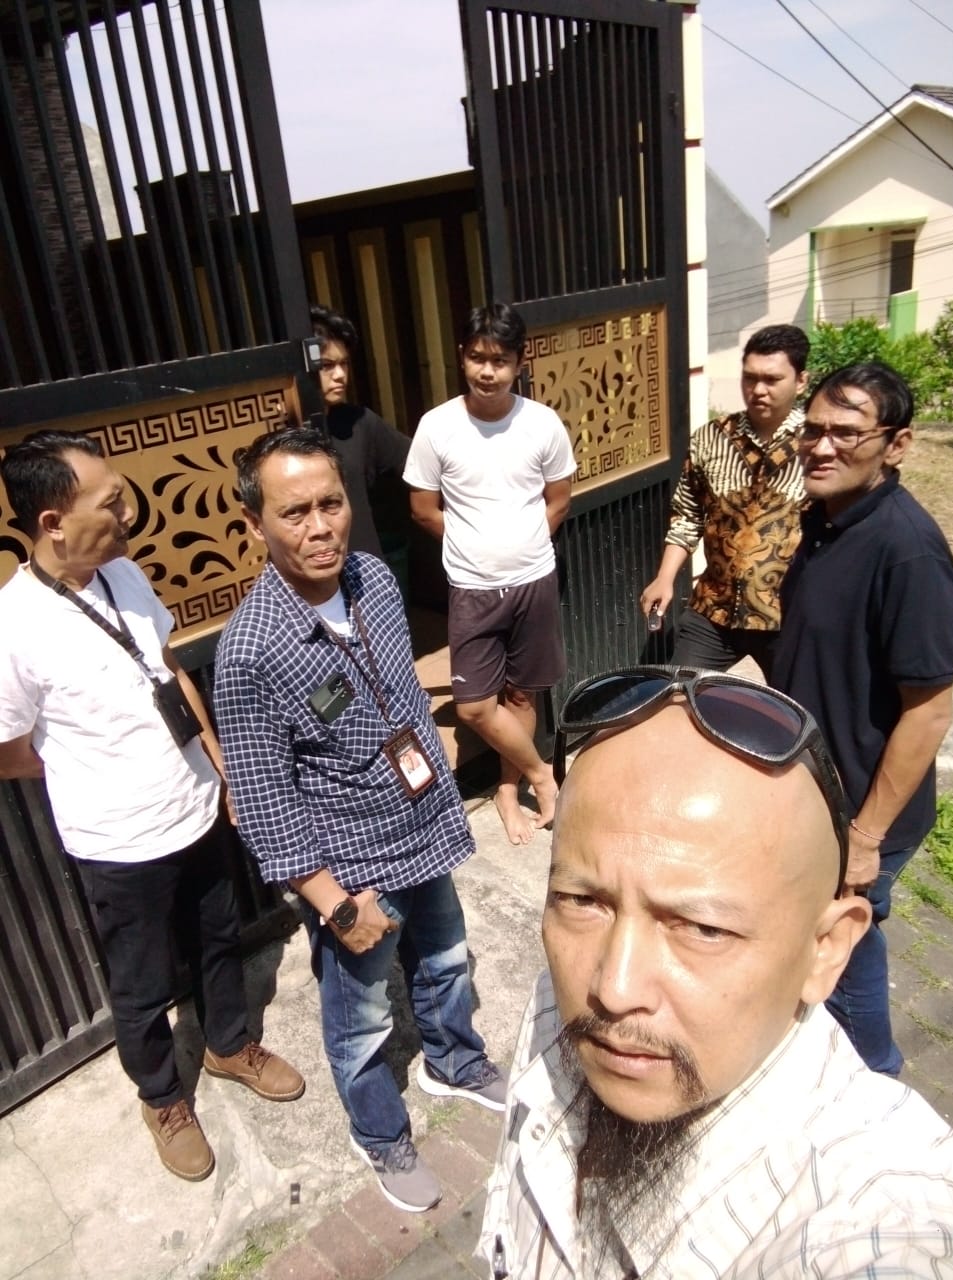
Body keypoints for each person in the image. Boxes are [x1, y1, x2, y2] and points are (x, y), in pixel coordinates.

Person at [479, 667, 953, 1278]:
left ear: (826, 950)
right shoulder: (562, 998)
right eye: (582, 900)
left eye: (702, 928)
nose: (613, 989)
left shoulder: (878, 1215)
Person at [213, 426, 505, 1214]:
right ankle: (379, 1134)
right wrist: (337, 906)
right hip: (352, 867)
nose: (320, 527)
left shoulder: (372, 577)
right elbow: (265, 805)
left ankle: (454, 1061)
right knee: (362, 1019)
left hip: (422, 827)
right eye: (295, 512)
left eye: (331, 503)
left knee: (448, 961)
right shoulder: (251, 651)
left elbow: (396, 693)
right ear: (255, 526)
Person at [0, 431, 303, 1184]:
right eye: (111, 502)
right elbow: (8, 750)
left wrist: (221, 766)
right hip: (116, 842)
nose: (128, 512)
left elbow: (168, 668)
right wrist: (92, 771)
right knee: (140, 985)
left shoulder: (124, 571)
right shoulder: (14, 626)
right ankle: (163, 1097)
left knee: (219, 937)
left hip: (192, 807)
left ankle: (228, 1045)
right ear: (53, 523)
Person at [771, 362, 953, 1076]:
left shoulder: (907, 552)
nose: (821, 447)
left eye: (846, 433)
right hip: (821, 798)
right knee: (827, 938)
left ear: (897, 443)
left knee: (843, 946)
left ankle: (876, 1077)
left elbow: (929, 711)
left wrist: (864, 837)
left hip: (863, 813)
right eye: (813, 430)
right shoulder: (825, 519)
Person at [404, 302, 576, 845]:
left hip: (534, 581)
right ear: (462, 357)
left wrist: (524, 543)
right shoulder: (437, 427)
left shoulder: (542, 423)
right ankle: (542, 774)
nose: (487, 371)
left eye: (499, 361)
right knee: (477, 705)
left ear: (519, 363)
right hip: (472, 588)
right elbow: (423, 508)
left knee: (522, 697)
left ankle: (507, 788)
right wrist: (473, 546)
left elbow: (559, 499)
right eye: (478, 358)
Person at [640, 324, 810, 679]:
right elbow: (688, 515)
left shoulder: (818, 446)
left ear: (801, 382)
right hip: (714, 610)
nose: (758, 390)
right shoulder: (710, 439)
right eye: (750, 378)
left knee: (798, 707)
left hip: (789, 616)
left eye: (772, 379)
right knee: (678, 693)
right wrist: (664, 578)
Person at [309, 304, 410, 558]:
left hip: (364, 569)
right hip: (309, 570)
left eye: (344, 363)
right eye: (327, 365)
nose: (340, 375)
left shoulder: (359, 422)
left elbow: (419, 461)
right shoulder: (280, 435)